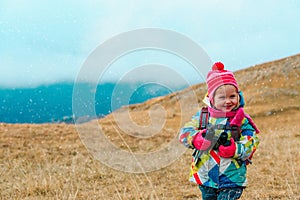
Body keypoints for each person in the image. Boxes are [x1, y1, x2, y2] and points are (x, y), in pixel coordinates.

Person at [179, 62, 260, 200]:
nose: (228, 101)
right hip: (206, 177)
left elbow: (252, 142)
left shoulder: (242, 120)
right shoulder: (203, 116)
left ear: (238, 96)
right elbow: (184, 133)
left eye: (232, 96)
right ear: (212, 98)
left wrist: (235, 149)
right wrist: (197, 139)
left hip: (232, 178)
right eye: (222, 97)